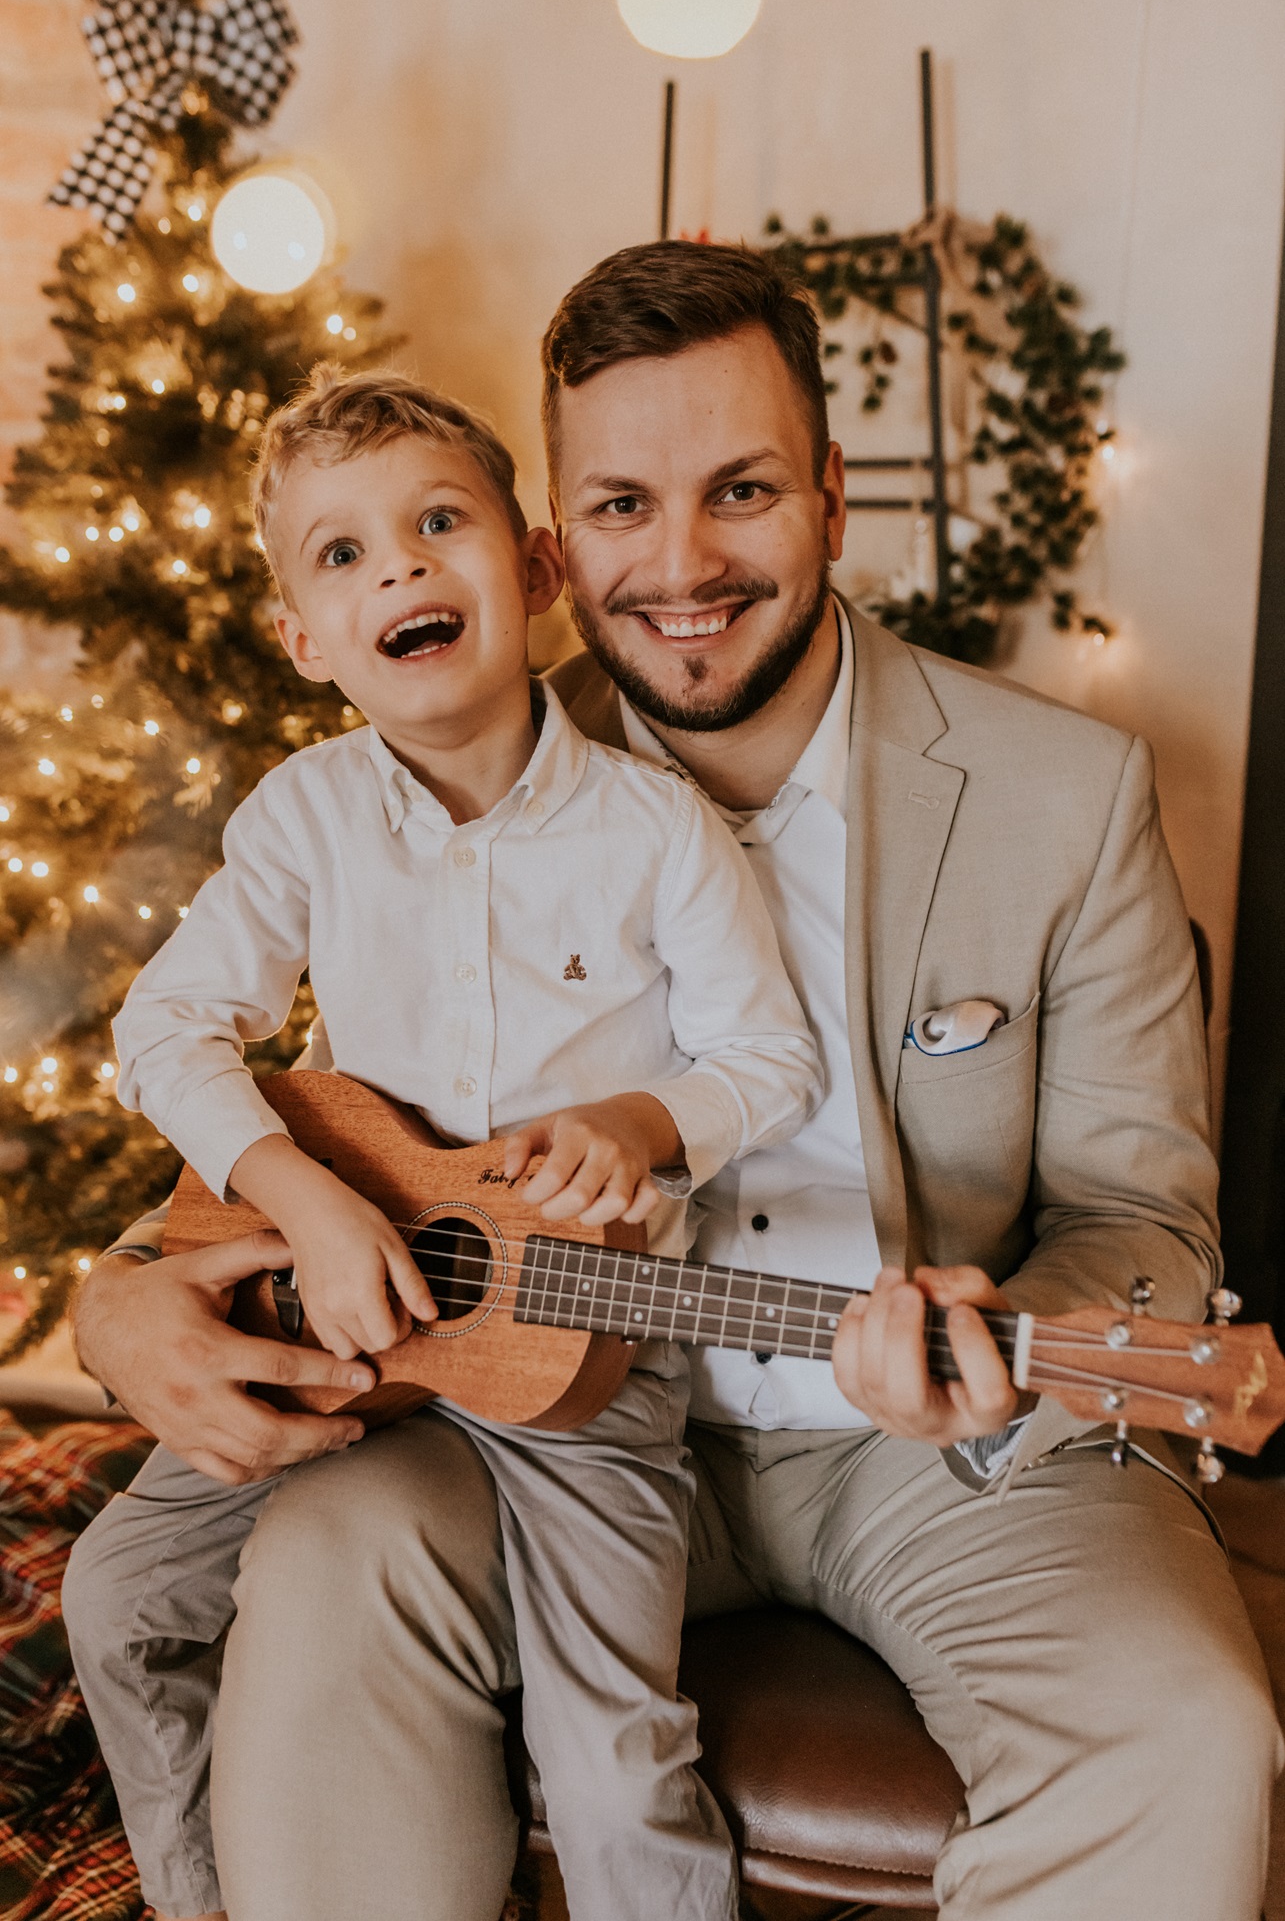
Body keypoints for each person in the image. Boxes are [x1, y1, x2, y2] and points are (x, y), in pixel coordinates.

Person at [71, 244, 1282, 1921]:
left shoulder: (1064, 795)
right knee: (326, 1564)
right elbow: (335, 1126)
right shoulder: (428, 763)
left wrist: (994, 1333)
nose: (684, 563)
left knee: (1182, 1739)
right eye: (623, 506)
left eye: (743, 491)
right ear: (557, 543)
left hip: (937, 1454)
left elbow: (1141, 1214)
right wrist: (116, 1303)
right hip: (518, 1414)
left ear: (831, 496)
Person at [62, 362, 822, 1921]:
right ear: (304, 638)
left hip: (585, 1358)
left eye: (436, 525)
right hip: (358, 1330)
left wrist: (638, 1120)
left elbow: (772, 1060)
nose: (398, 569)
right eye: (341, 554)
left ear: (534, 569)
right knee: (114, 1593)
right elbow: (167, 1029)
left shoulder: (655, 830)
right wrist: (304, 1204)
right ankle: (199, 1902)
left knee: (610, 1757)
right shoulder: (303, 819)